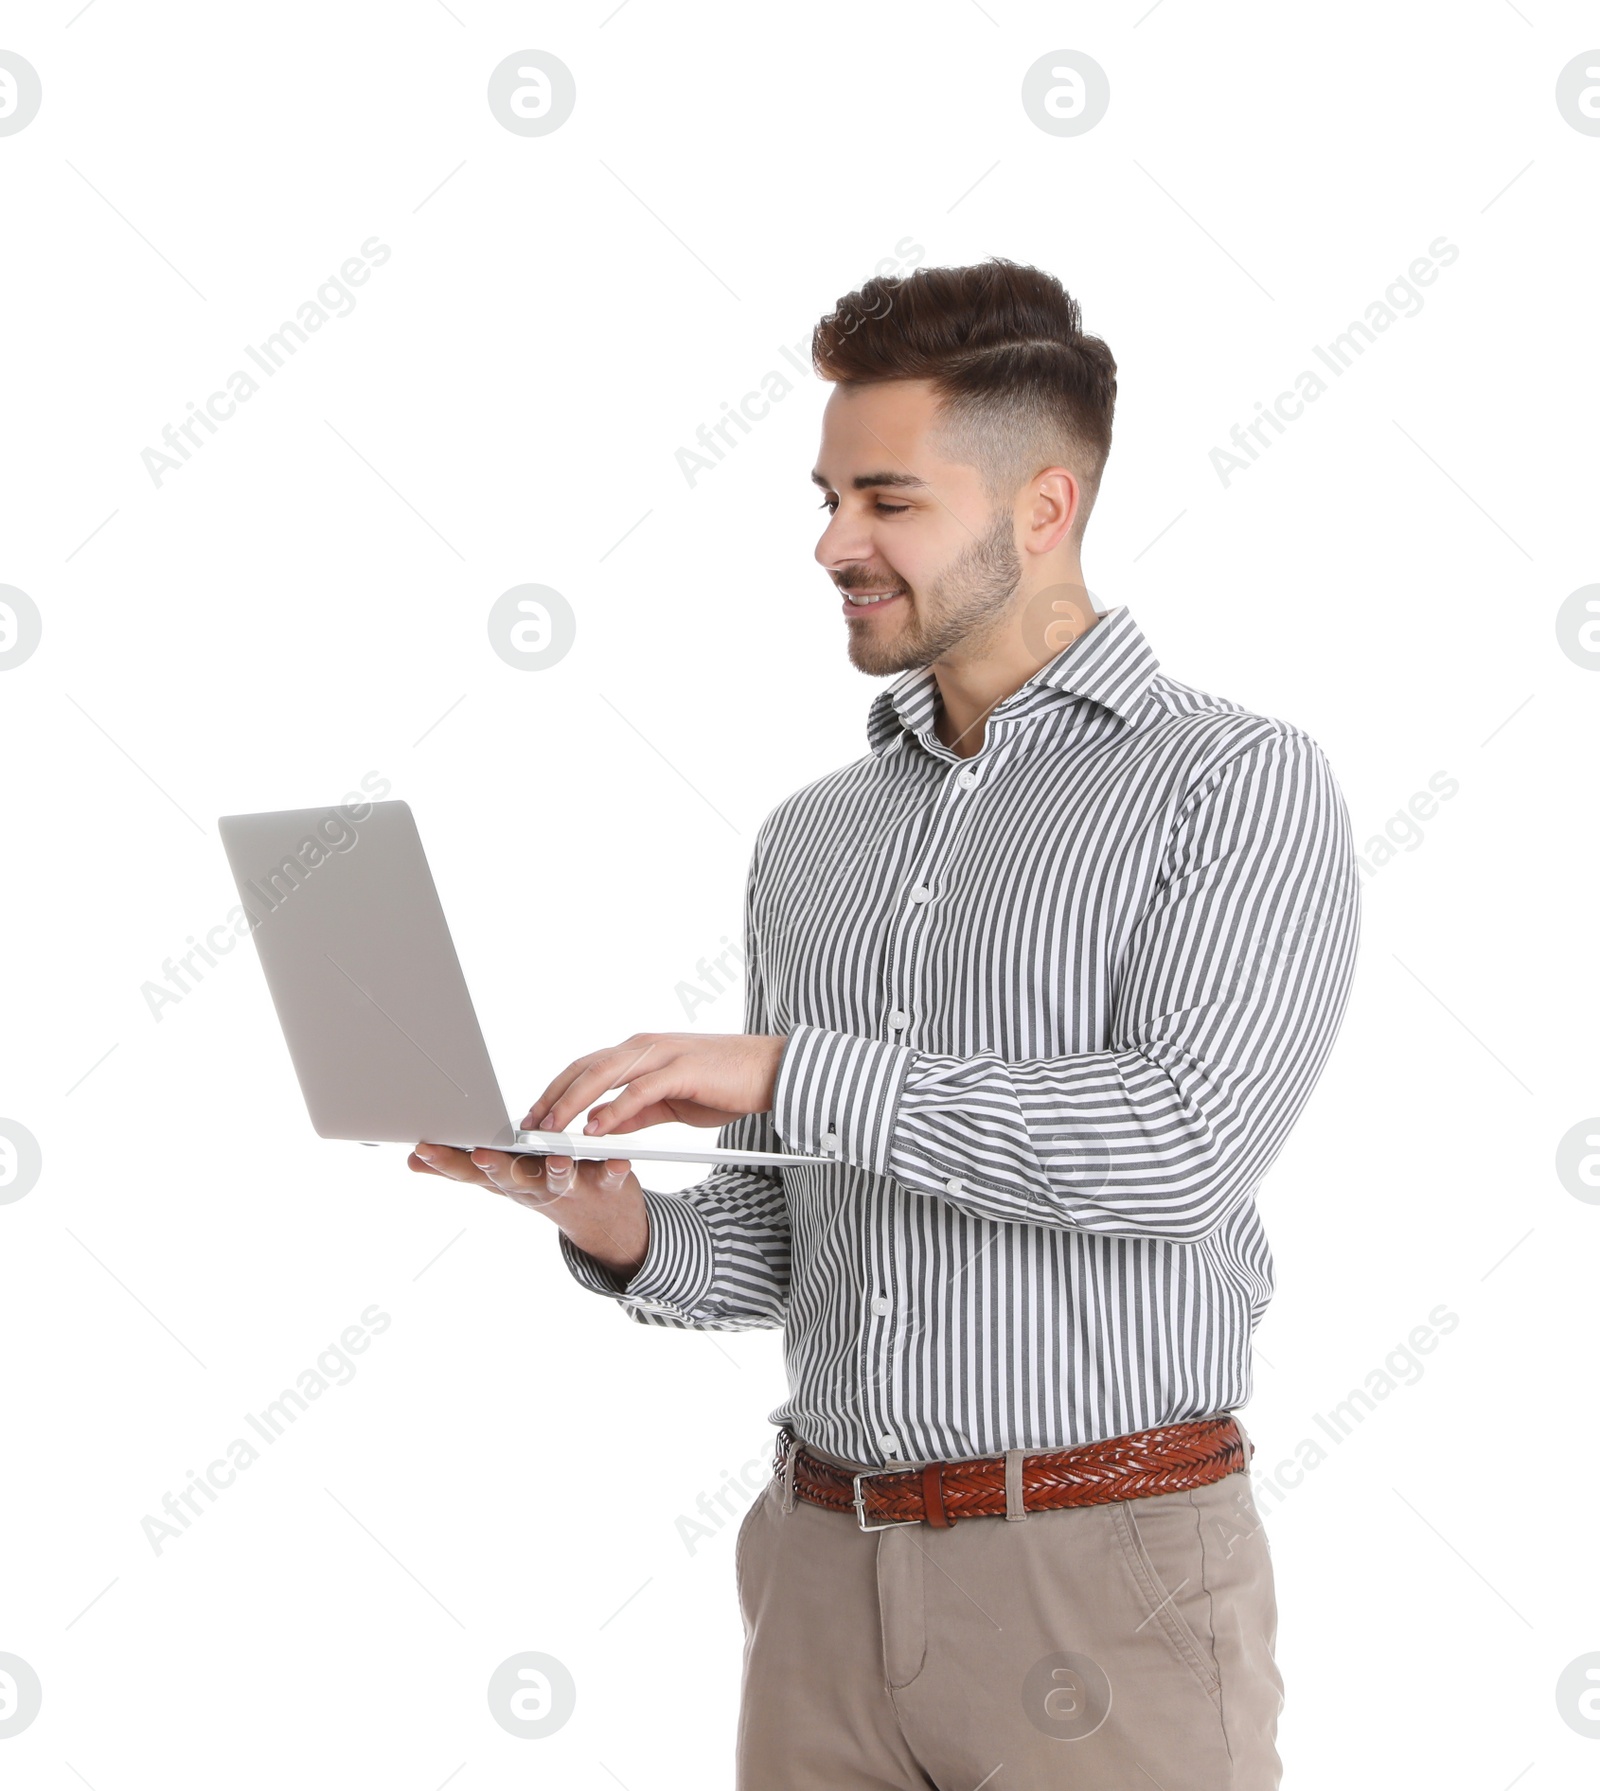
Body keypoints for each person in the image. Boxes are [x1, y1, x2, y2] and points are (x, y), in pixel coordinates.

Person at [411, 257, 1361, 1788]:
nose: (831, 542)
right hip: (816, 1572)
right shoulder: (814, 838)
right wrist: (617, 1230)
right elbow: (799, 1242)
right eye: (827, 494)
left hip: (1101, 1578)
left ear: (1042, 510)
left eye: (886, 500)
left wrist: (794, 1070)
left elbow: (1178, 1151)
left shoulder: (1233, 784)